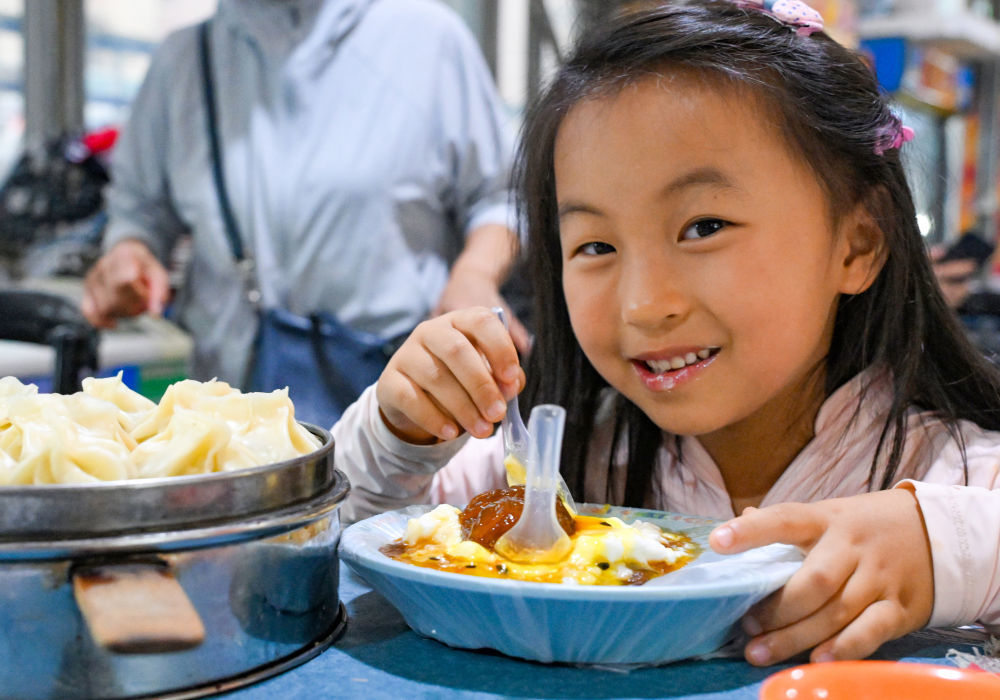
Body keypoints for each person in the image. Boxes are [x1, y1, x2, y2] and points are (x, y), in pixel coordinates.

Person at [333, 0, 1000, 669]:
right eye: (595, 245)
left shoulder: (956, 476)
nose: (645, 305)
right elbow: (324, 529)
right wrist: (400, 438)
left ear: (857, 245)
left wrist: (950, 546)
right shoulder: (557, 477)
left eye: (704, 226)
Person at [80, 0, 529, 425]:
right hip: (227, 406)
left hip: (398, 396)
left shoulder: (428, 39)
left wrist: (475, 273)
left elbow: (501, 197)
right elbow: (139, 208)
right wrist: (130, 250)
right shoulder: (183, 61)